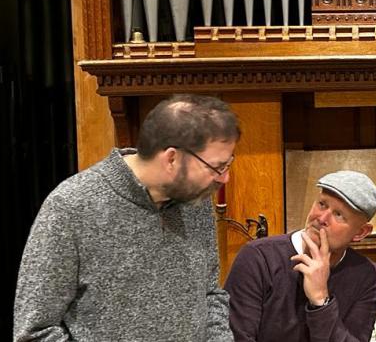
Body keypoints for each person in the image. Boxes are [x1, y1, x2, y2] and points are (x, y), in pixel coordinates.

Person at [14, 94, 240, 341]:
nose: (224, 178)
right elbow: (35, 332)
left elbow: (209, 295)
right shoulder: (71, 206)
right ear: (172, 158)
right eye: (217, 167)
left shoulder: (194, 200)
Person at [225, 170, 376, 341]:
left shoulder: (368, 276)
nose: (322, 218)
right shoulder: (257, 258)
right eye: (322, 204)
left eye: (338, 215)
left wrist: (321, 300)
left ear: (360, 232)